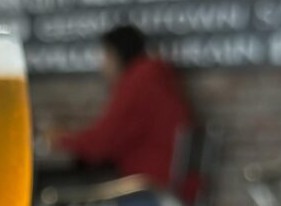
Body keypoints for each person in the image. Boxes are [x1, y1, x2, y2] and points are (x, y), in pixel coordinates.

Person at [47, 24, 193, 189]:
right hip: (169, 188)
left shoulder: (139, 83)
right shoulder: (153, 77)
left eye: (105, 57)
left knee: (49, 198)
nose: (102, 66)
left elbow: (101, 144)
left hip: (152, 191)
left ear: (117, 54)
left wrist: (60, 140)